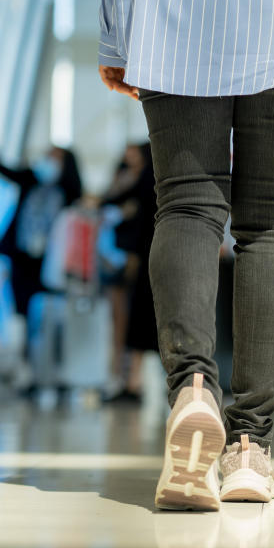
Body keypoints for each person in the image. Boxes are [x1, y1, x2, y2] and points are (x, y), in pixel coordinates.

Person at [99, 0, 274, 510]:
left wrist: (118, 36)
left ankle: (192, 389)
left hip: (175, 17)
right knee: (271, 226)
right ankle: (249, 449)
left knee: (188, 207)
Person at [0, 125, 83, 317]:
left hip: (49, 258)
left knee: (44, 302)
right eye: (48, 156)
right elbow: (2, 168)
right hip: (21, 252)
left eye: (55, 157)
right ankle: (23, 338)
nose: (49, 161)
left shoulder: (70, 195)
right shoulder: (30, 180)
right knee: (20, 301)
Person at [102, 143, 159, 402]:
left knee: (141, 320)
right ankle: (130, 380)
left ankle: (135, 381)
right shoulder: (134, 177)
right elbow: (108, 200)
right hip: (133, 259)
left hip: (146, 258)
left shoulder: (149, 178)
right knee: (129, 322)